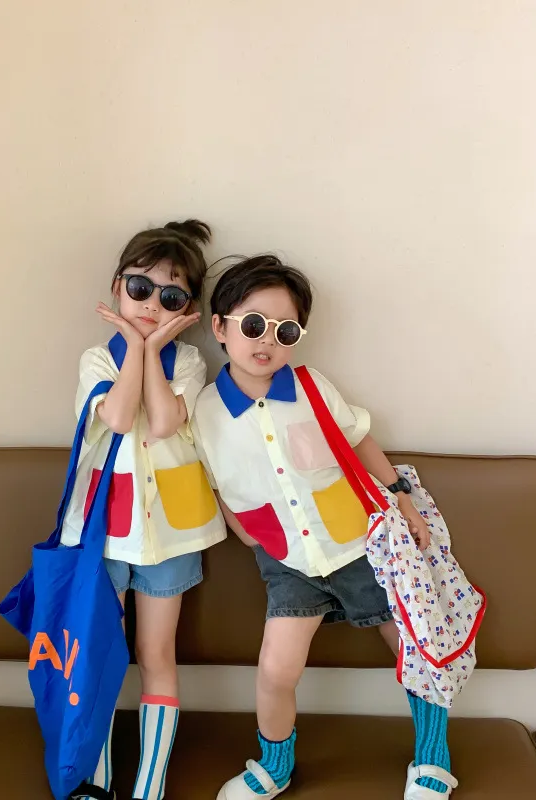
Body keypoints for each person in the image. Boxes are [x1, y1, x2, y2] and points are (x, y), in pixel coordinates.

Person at [191, 255, 455, 800]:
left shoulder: (312, 387)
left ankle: (434, 758)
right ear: (219, 326)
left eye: (284, 330)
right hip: (288, 561)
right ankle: (274, 765)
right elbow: (214, 479)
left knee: (414, 647)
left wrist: (401, 497)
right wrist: (245, 530)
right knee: (275, 669)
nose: (267, 341)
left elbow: (357, 438)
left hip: (359, 547)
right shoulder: (204, 411)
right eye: (253, 324)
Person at [63, 219, 227, 800]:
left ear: (188, 310)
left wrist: (152, 349)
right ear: (117, 287)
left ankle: (150, 785)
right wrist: (135, 347)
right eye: (140, 288)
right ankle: (99, 779)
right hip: (103, 532)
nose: (153, 304)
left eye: (172, 297)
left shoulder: (189, 363)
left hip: (171, 535)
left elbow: (161, 422)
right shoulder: (95, 359)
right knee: (103, 654)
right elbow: (114, 417)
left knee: (157, 654)